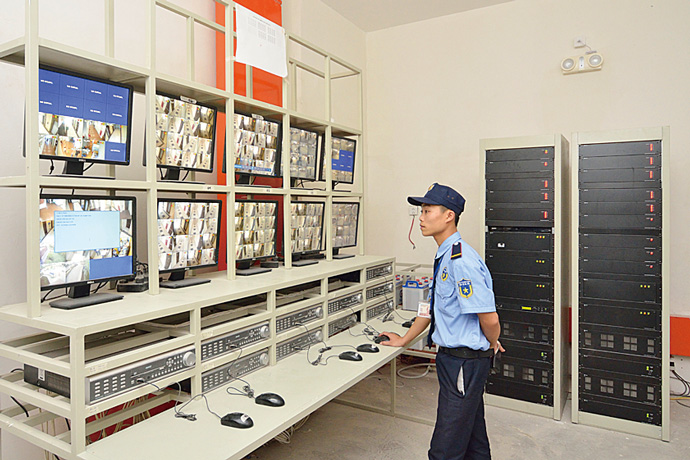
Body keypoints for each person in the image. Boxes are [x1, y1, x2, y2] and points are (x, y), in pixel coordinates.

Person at [380, 183, 503, 460]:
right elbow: (430, 308)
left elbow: (489, 317)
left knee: (445, 449)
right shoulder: (445, 255)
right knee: (473, 438)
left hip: (465, 362)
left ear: (449, 215)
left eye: (427, 210)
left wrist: (491, 342)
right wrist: (403, 340)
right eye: (420, 211)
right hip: (454, 360)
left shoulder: (461, 261)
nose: (420, 217)